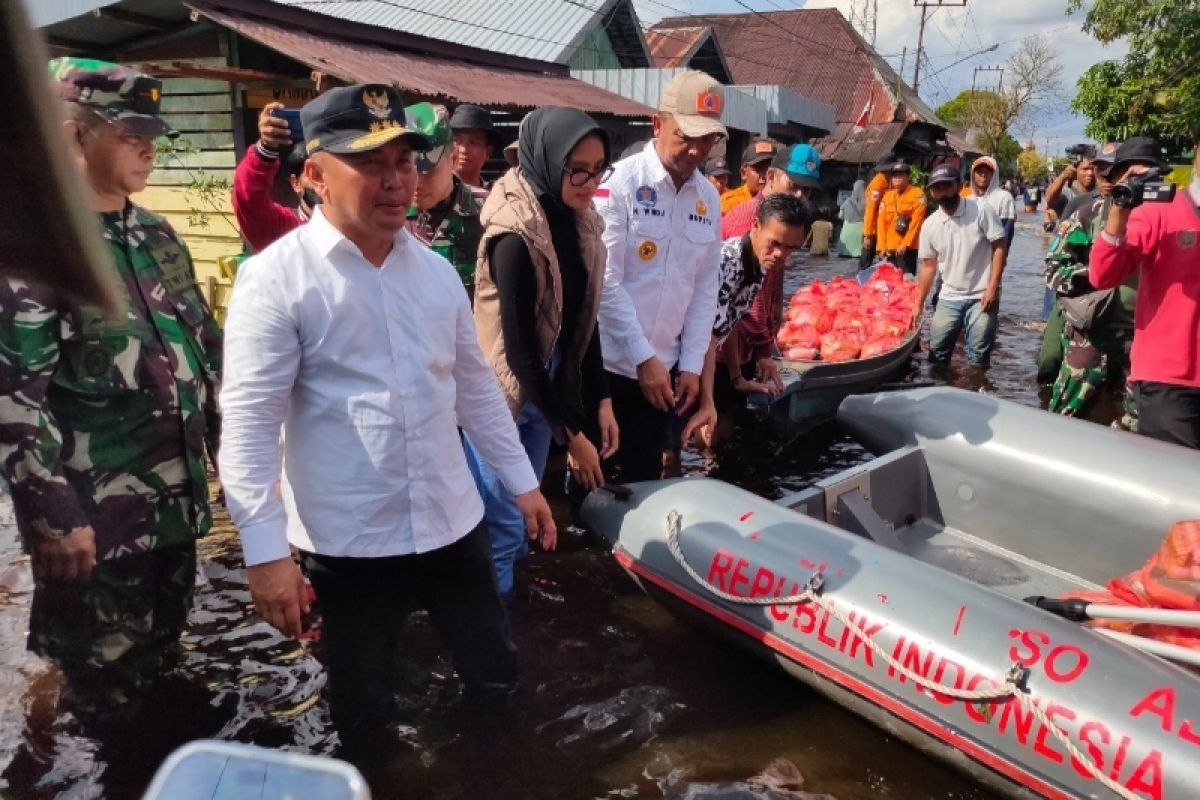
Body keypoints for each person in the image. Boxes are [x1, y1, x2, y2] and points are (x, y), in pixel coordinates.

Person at [218, 84, 557, 739]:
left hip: (452, 524)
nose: (397, 180)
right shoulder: (276, 279)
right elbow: (250, 429)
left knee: (495, 679)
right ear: (314, 173)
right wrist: (264, 555)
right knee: (363, 708)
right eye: (371, 164)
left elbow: (475, 391)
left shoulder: (432, 274)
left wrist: (522, 485)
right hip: (350, 543)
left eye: (404, 162)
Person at [0, 58, 223, 726]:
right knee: (101, 705)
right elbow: (14, 399)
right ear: (73, 134)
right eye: (128, 131)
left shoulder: (158, 236)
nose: (149, 144)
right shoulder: (37, 250)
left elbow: (206, 353)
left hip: (175, 513)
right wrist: (52, 517)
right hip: (95, 530)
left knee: (162, 670)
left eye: (152, 130)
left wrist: (242, 461)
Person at [465, 107, 619, 601]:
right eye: (577, 168)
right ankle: (499, 641)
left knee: (525, 519)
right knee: (506, 522)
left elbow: (583, 320)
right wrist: (571, 437)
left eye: (597, 169)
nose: (588, 181)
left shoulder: (579, 223)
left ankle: (511, 614)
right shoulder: (513, 236)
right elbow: (518, 353)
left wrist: (601, 400)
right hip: (502, 397)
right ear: (548, 159)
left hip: (545, 387)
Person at [594, 69, 725, 483]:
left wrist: (689, 364)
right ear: (657, 123)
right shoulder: (619, 185)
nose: (696, 150)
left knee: (649, 482)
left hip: (666, 372)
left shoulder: (709, 198)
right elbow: (604, 282)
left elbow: (705, 287)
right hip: (609, 367)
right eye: (686, 136)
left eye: (706, 139)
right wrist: (642, 357)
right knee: (597, 486)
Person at [1091, 135, 1200, 449]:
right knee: (1178, 488)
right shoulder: (1158, 211)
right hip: (1169, 380)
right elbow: (1103, 274)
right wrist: (1120, 211)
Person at [684, 194, 813, 448]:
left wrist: (736, 377)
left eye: (790, 248)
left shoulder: (758, 265)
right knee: (684, 443)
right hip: (679, 356)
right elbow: (707, 338)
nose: (780, 254)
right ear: (755, 227)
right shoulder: (728, 263)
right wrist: (707, 401)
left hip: (700, 354)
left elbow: (730, 322)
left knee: (717, 434)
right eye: (774, 243)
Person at [1044, 142, 1138, 422]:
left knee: (1138, 426)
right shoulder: (1086, 214)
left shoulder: (1154, 217)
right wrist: (1095, 274)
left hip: (1139, 339)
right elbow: (1054, 269)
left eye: (1117, 171)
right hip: (1090, 333)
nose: (1109, 178)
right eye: (1103, 171)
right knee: (1066, 417)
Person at [914, 164, 1007, 367]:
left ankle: (975, 393)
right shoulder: (930, 225)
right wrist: (918, 304)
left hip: (981, 296)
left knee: (978, 357)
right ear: (931, 192)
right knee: (937, 354)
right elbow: (928, 267)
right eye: (937, 188)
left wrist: (993, 287)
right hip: (949, 297)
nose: (942, 192)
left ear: (957, 186)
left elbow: (1000, 247)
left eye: (947, 186)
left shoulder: (981, 210)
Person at [404, 102, 483, 297]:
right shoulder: (388, 217)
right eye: (407, 169)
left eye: (427, 170)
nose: (416, 182)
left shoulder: (488, 214)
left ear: (454, 157)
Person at [233, 101, 318, 252]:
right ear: (295, 183)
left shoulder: (356, 226)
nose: (320, 181)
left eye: (326, 171)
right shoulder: (283, 229)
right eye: (311, 173)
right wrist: (265, 149)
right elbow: (249, 198)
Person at [721, 142, 821, 239]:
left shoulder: (785, 218)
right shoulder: (749, 217)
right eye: (793, 186)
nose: (799, 195)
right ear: (771, 176)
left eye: (806, 190)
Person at [876, 157, 927, 274]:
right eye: (894, 176)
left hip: (907, 249)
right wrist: (881, 247)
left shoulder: (918, 194)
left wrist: (905, 244)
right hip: (889, 248)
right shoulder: (887, 196)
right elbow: (881, 222)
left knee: (906, 282)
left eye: (901, 176)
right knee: (889, 283)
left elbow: (916, 221)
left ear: (908, 177)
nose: (897, 179)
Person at [450, 103, 499, 203]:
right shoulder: (434, 197)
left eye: (473, 143)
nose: (464, 150)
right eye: (456, 141)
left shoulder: (496, 198)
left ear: (488, 152)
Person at [962, 156, 1016, 245]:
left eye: (987, 171)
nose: (983, 175)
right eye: (979, 171)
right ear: (973, 174)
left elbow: (1006, 232)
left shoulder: (1004, 198)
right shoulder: (967, 200)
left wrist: (999, 256)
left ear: (994, 174)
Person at [720, 139, 777, 213]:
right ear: (743, 173)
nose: (765, 176)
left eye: (770, 171)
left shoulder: (782, 203)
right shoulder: (730, 203)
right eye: (758, 170)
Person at [1045, 146, 1098, 222]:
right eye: (1085, 169)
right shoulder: (1067, 191)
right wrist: (1063, 177)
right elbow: (1050, 201)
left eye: (1093, 169)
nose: (1090, 173)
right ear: (1075, 170)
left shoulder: (1101, 193)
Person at [859, 156, 892, 269]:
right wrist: (867, 235)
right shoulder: (879, 182)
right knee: (865, 263)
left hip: (881, 229)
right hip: (873, 230)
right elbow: (870, 208)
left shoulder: (887, 181)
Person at [837, 178, 867, 258]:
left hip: (847, 229)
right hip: (860, 229)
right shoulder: (867, 203)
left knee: (844, 255)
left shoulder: (847, 202)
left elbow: (840, 216)